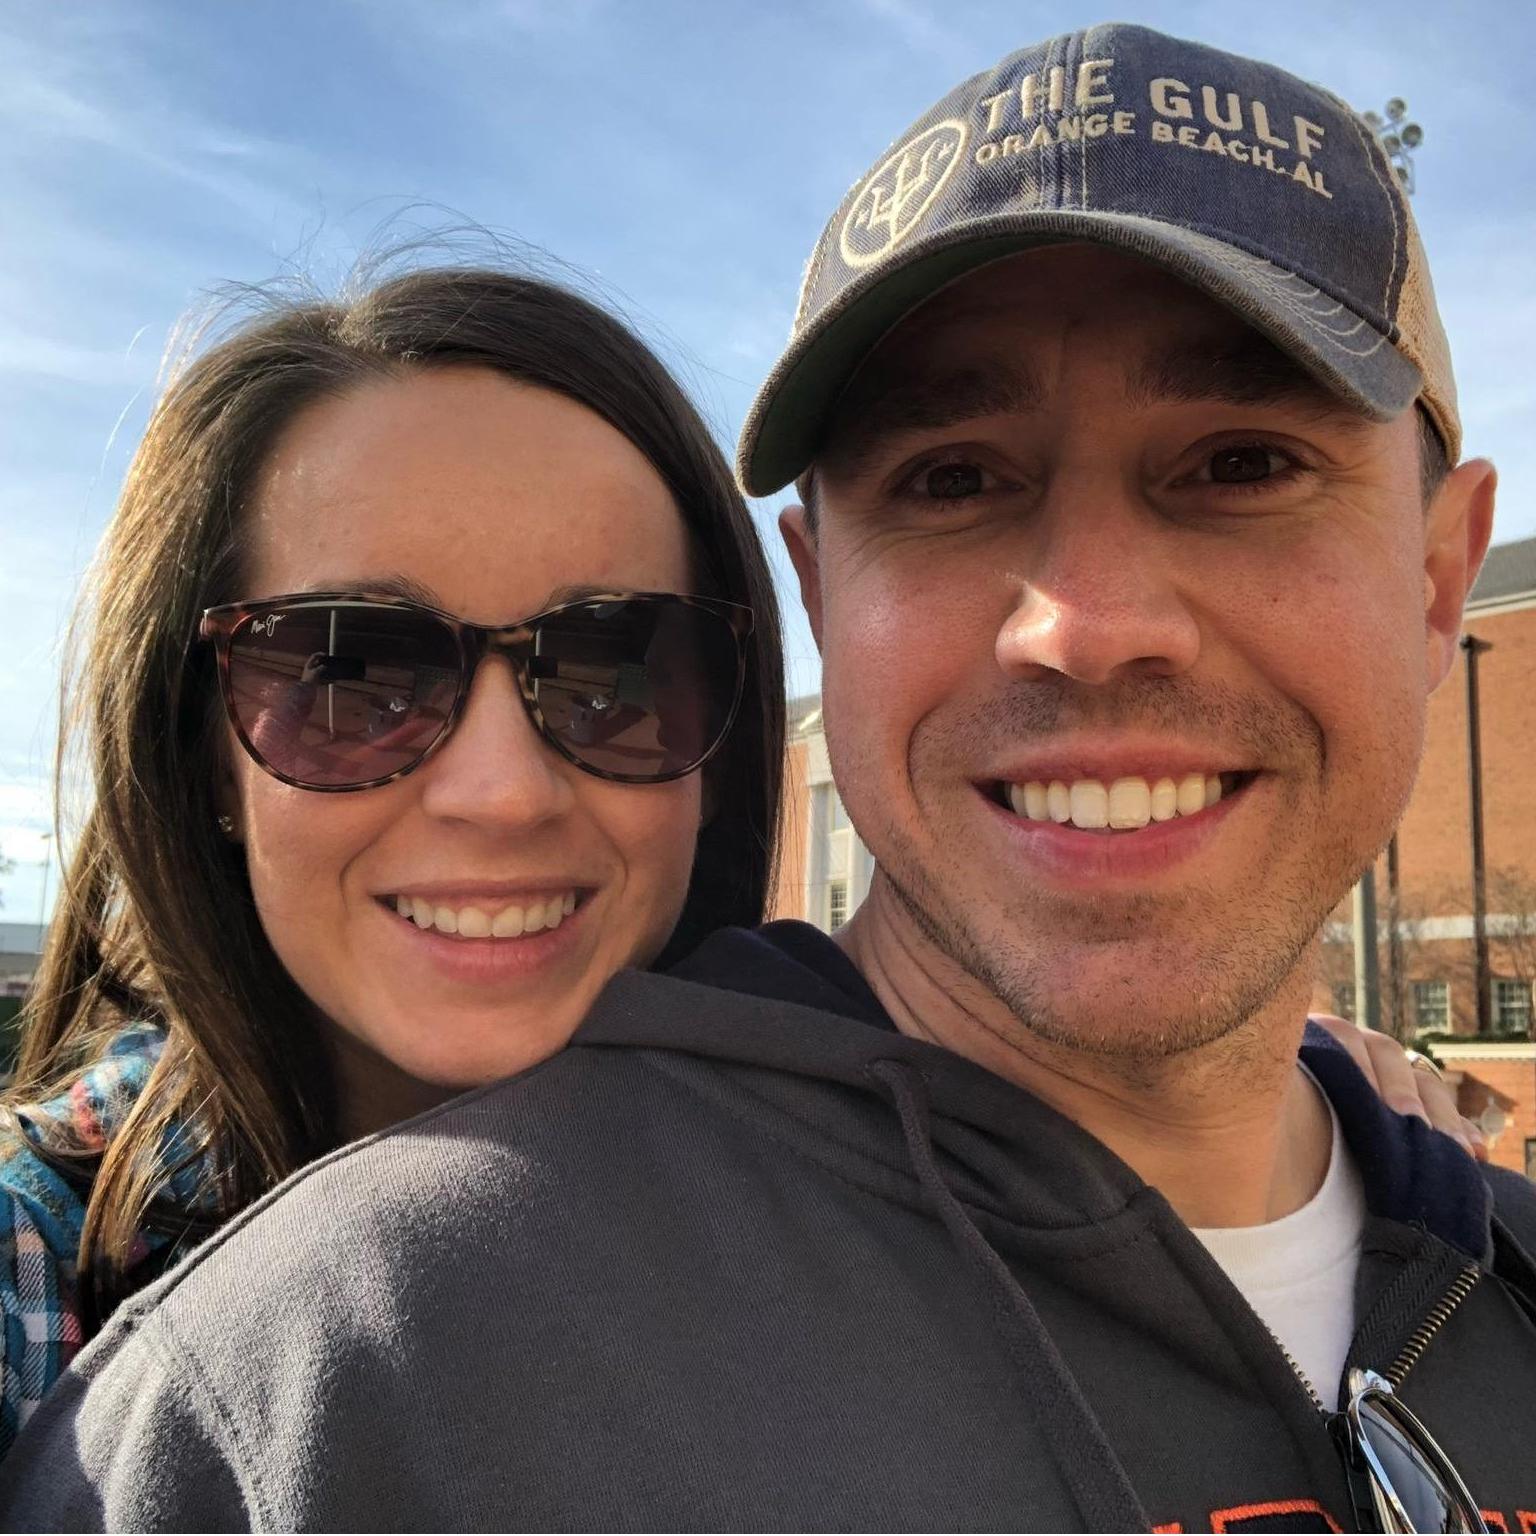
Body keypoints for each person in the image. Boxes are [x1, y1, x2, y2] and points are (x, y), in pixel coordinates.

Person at [6, 28, 1531, 1526]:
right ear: (822, 598)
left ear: (1439, 571)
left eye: (1242, 462)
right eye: (953, 479)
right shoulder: (302, 1392)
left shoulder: (1468, 1238)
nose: (1089, 623)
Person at [0, 265, 784, 1458]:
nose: (502, 792)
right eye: (344, 675)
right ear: (207, 759)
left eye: (616, 672)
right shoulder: (40, 1269)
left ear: (721, 750)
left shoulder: (877, 1206)